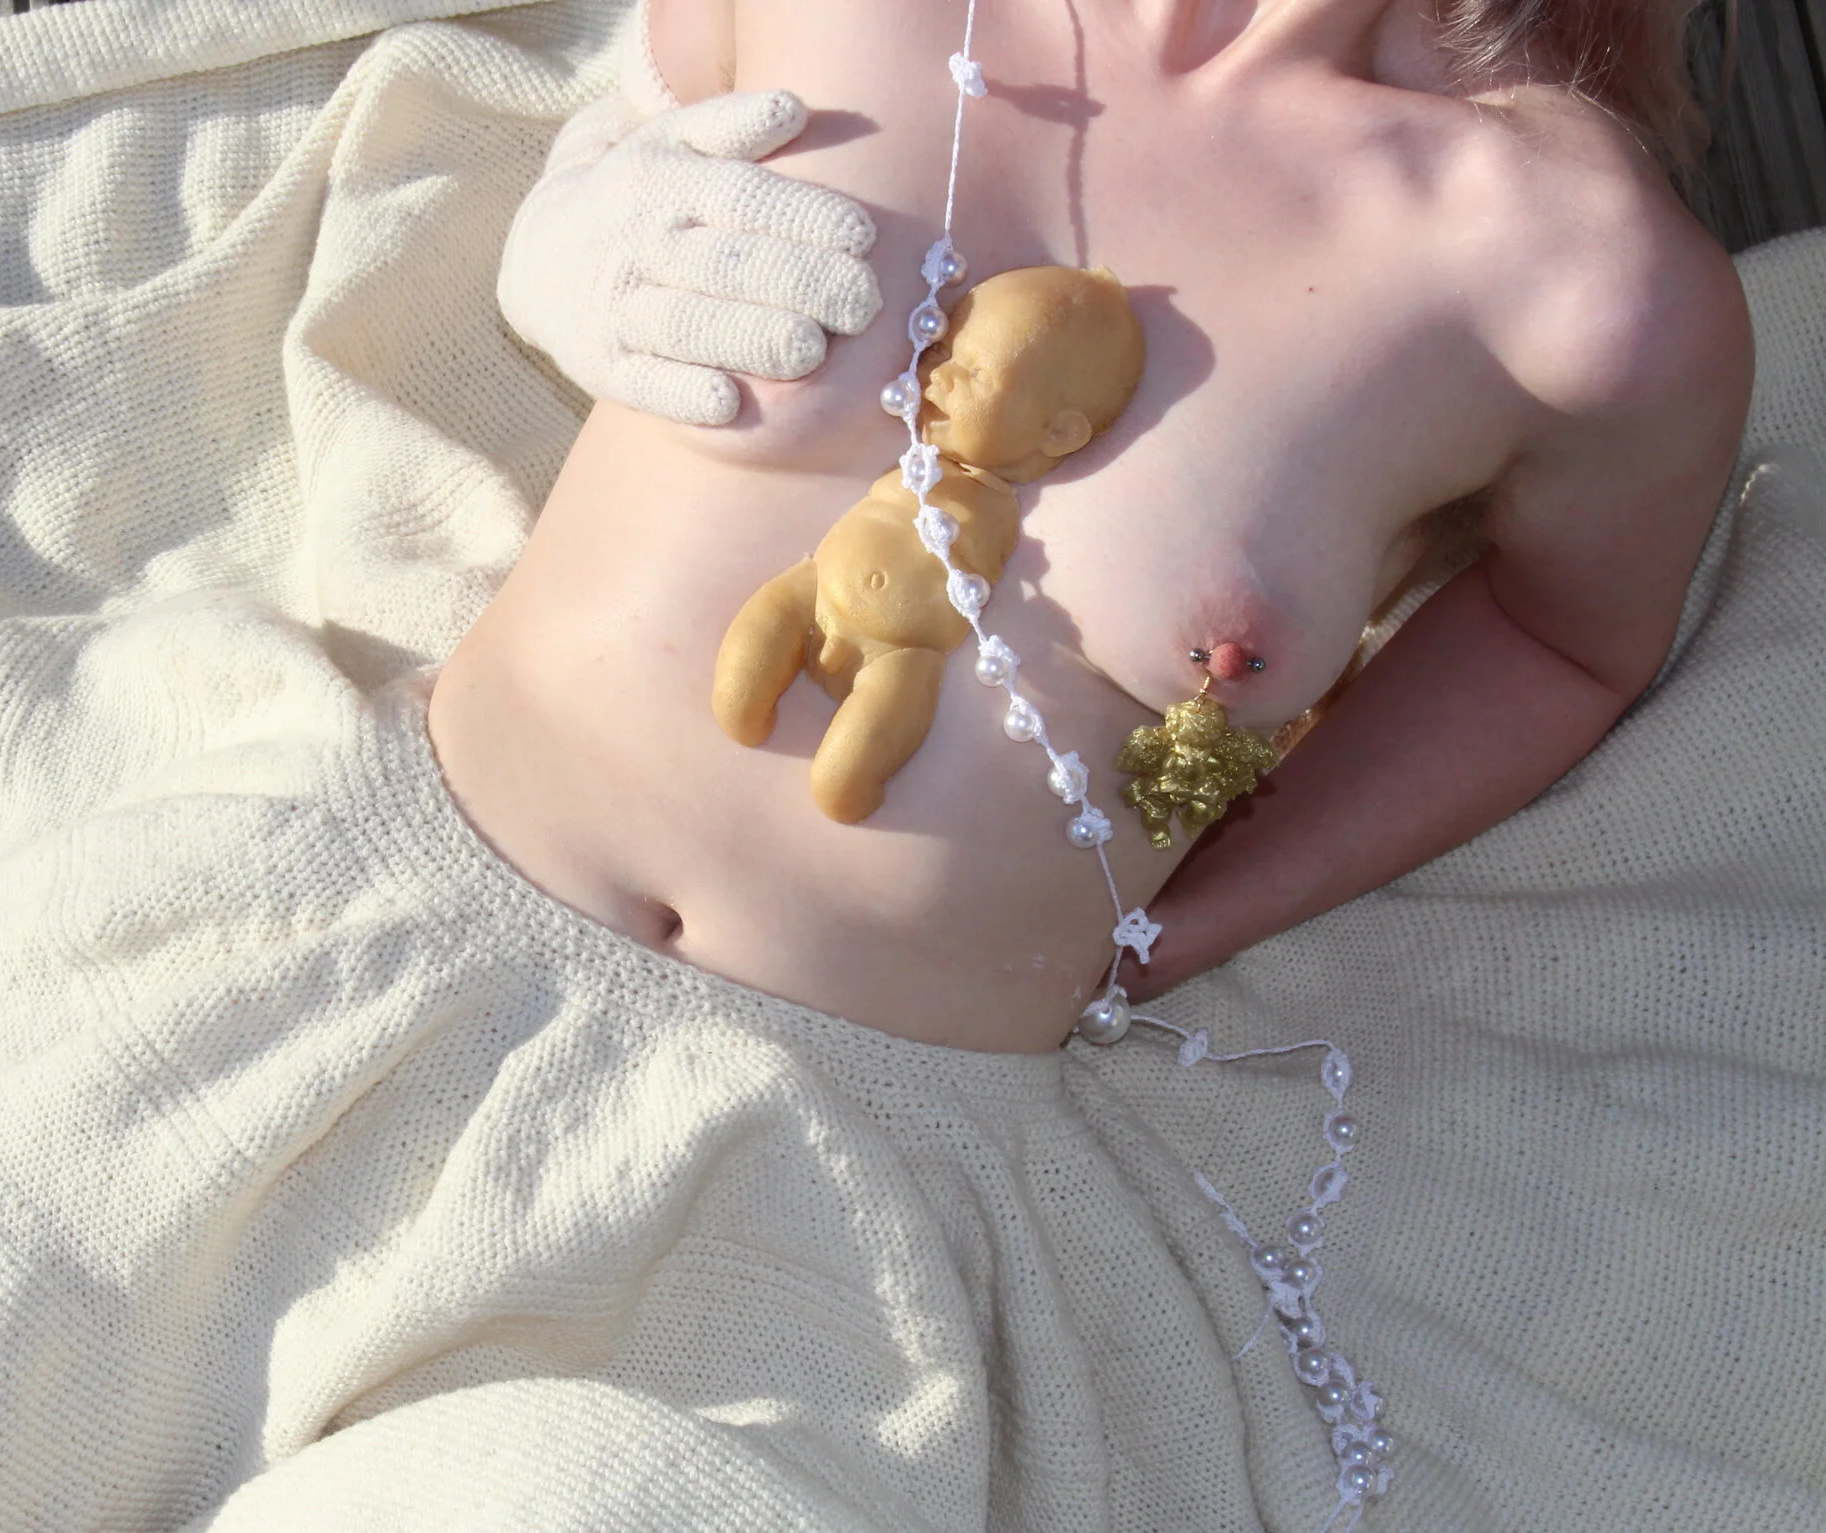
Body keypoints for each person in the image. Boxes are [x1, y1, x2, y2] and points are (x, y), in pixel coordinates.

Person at [435, 0, 1752, 1052]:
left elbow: (1558, 642)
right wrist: (566, 215)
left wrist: (1197, 923)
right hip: (419, 896)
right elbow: (641, 97)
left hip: (858, 1144)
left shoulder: (1576, 274)